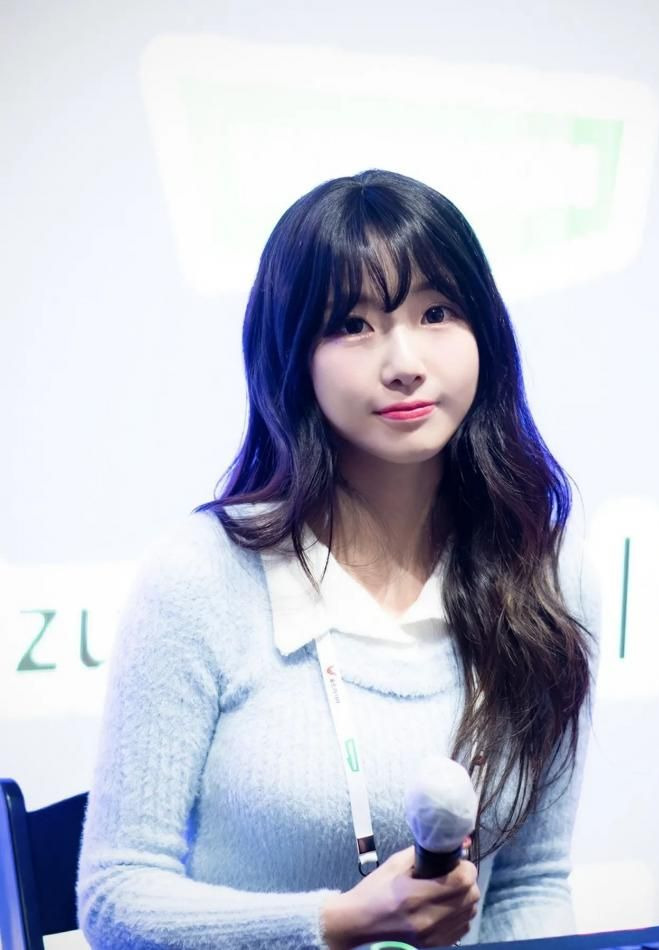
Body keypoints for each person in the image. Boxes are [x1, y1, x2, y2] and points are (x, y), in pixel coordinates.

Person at [76, 169, 599, 949]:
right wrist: (337, 924)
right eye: (353, 324)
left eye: (436, 312)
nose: (404, 361)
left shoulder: (544, 571)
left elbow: (531, 884)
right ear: (293, 357)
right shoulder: (200, 576)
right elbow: (115, 899)